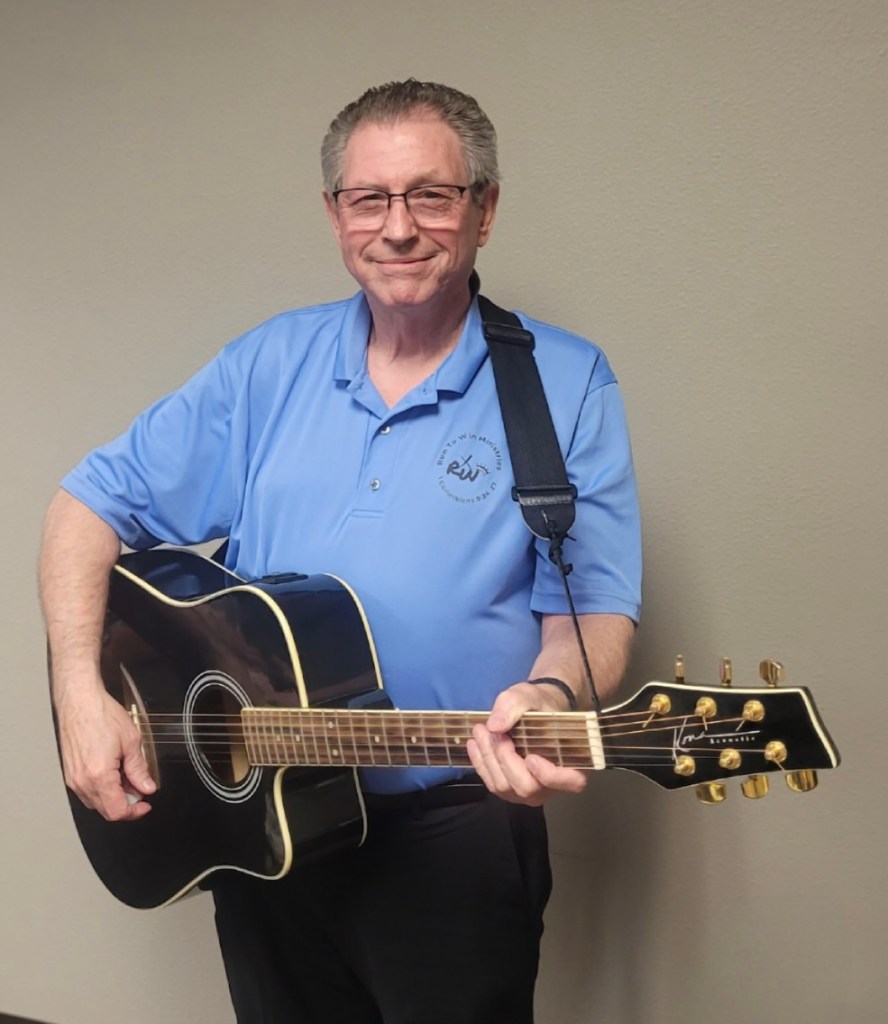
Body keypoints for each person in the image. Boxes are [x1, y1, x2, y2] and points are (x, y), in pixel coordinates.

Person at [40, 79, 642, 1024]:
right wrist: (82, 694)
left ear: (484, 210)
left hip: (455, 831)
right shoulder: (267, 366)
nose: (397, 227)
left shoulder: (564, 384)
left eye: (430, 195)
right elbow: (85, 505)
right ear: (335, 215)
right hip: (268, 824)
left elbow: (590, 609)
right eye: (370, 199)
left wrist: (553, 695)